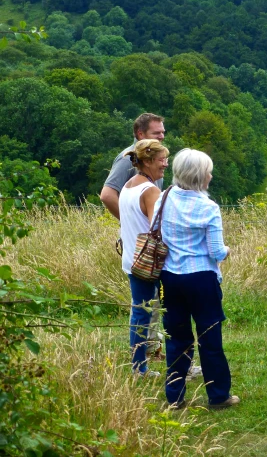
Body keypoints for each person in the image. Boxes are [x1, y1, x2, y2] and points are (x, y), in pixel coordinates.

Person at [154, 148, 239, 410]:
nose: (211, 175)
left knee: (176, 337)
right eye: (208, 171)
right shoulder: (208, 207)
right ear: (200, 176)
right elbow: (215, 251)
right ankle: (218, 395)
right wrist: (228, 250)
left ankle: (175, 396)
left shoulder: (163, 198)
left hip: (169, 277)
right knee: (209, 336)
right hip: (202, 278)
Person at [119, 139, 169, 377]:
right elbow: (159, 229)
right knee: (161, 312)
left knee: (140, 312)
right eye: (161, 160)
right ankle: (180, 365)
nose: (165, 165)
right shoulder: (150, 191)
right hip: (149, 264)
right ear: (147, 161)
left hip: (132, 260)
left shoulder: (128, 186)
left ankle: (138, 366)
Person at [101, 113, 166, 220]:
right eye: (156, 133)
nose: (162, 136)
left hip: (147, 233)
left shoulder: (155, 160)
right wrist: (129, 221)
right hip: (137, 235)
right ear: (141, 134)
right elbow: (107, 195)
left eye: (163, 132)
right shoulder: (127, 158)